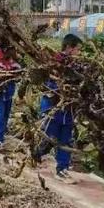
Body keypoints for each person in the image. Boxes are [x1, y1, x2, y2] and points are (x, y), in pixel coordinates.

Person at [34, 34, 82, 181]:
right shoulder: (55, 63)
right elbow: (50, 86)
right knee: (48, 137)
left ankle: (62, 169)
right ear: (69, 47)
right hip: (53, 108)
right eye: (77, 50)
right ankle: (35, 154)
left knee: (65, 139)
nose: (79, 53)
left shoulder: (76, 66)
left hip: (68, 110)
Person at [0, 45, 20, 151]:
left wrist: (14, 76)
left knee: (5, 115)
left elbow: (18, 75)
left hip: (9, 92)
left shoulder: (14, 62)